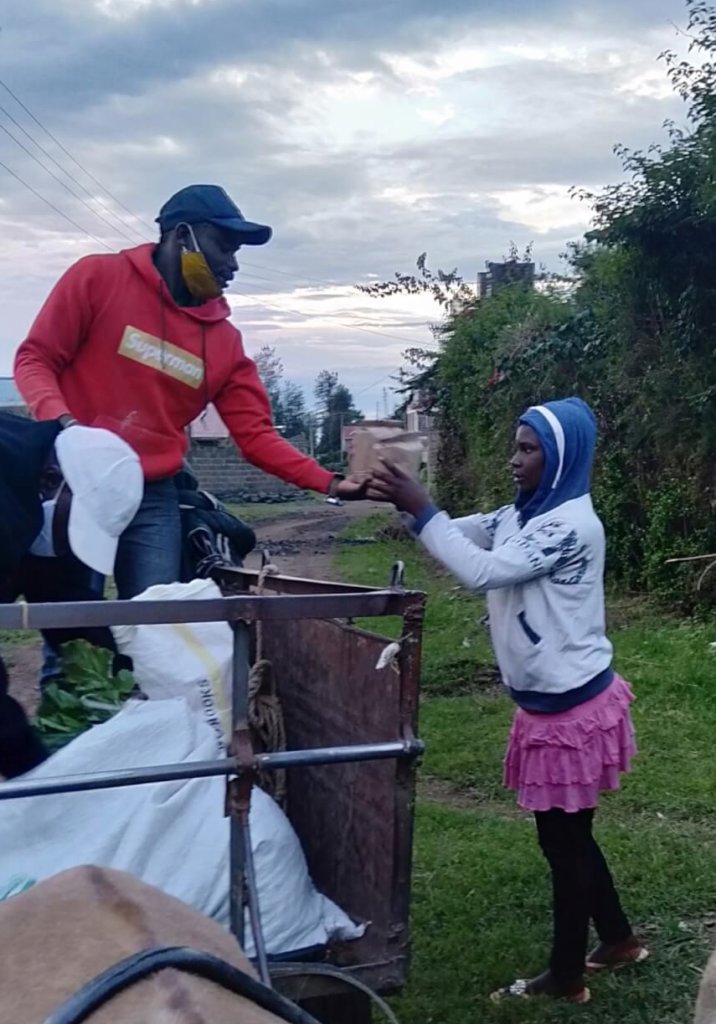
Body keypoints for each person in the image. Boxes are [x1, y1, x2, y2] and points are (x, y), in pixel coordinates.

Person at [368, 397, 648, 1004]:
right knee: (570, 837)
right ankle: (620, 940)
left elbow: (483, 573)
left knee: (563, 842)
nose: (514, 459)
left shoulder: (569, 525)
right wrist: (408, 506)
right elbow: (460, 536)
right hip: (553, 702)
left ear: (562, 456)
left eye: (528, 449)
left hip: (571, 712)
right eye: (516, 446)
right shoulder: (524, 514)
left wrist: (424, 511)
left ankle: (566, 975)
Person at [14, 183, 366, 601]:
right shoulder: (97, 278)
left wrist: (329, 482)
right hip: (72, 484)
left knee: (157, 621)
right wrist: (66, 425)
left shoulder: (224, 344)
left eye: (237, 252)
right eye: (224, 247)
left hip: (152, 495)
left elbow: (256, 436)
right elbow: (35, 358)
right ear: (183, 236)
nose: (232, 264)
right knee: (72, 620)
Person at [0, 412, 143, 778]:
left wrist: (122, 681)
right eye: (73, 530)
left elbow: (64, 598)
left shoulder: (30, 475)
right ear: (51, 481)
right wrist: (27, 761)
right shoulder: (8, 510)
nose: (66, 548)